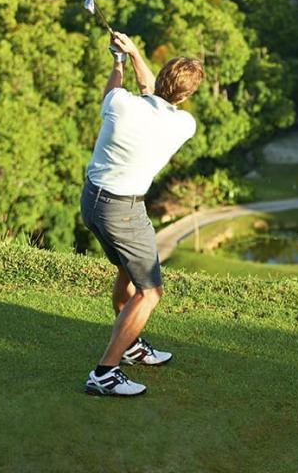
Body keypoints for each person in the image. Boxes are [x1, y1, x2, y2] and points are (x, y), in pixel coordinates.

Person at [81, 31, 204, 397]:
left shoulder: (119, 103)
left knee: (127, 269)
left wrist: (120, 58)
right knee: (150, 292)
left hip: (92, 202)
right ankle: (105, 372)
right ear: (185, 96)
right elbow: (154, 91)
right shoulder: (184, 125)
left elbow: (127, 91)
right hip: (124, 210)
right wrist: (134, 54)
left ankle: (131, 346)